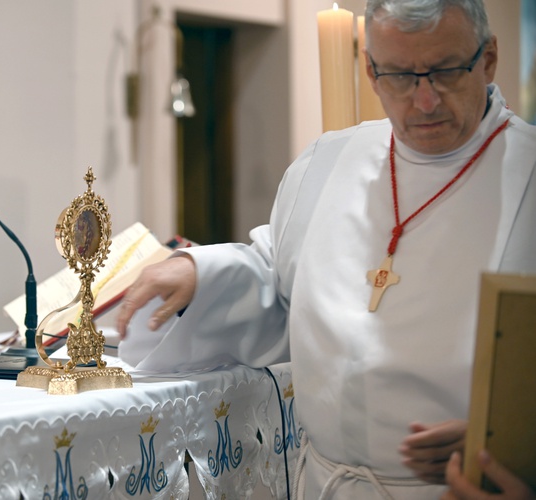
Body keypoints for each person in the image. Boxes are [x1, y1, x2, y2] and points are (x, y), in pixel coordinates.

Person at [116, 0, 536, 498]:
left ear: (488, 59)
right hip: (326, 484)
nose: (424, 101)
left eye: (445, 71)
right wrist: (198, 273)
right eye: (399, 76)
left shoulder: (526, 174)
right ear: (370, 71)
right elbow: (280, 275)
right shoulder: (328, 161)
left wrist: (512, 441)